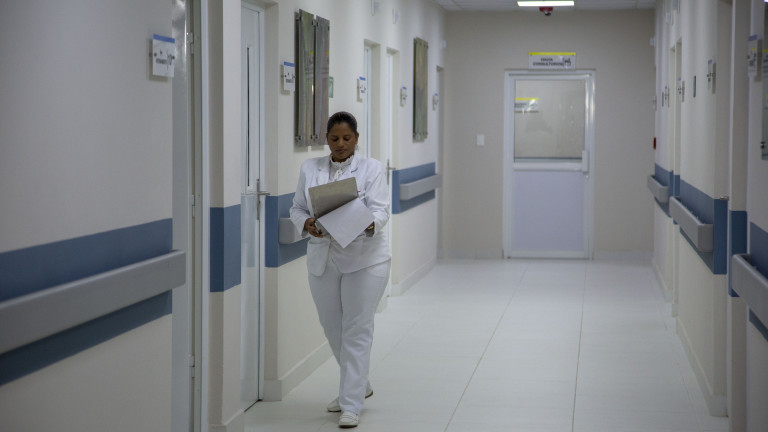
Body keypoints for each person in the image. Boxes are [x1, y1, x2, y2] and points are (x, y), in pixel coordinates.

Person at [290, 111, 391, 428]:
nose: (341, 144)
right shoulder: (310, 168)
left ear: (356, 138)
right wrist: (306, 223)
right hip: (324, 256)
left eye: (347, 138)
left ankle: (351, 403)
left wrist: (366, 223)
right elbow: (297, 207)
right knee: (332, 327)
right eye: (334, 138)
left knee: (357, 329)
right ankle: (359, 385)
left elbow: (381, 210)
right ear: (326, 139)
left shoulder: (372, 168)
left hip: (365, 258)